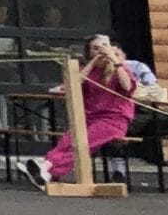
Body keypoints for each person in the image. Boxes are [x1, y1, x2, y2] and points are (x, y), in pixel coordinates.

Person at [18, 36, 138, 190]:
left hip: (113, 119)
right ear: (89, 52)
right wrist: (94, 62)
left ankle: (47, 167)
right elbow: (73, 84)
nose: (100, 50)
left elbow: (127, 86)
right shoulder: (87, 71)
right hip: (89, 117)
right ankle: (46, 172)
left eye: (103, 46)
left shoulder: (120, 68)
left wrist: (114, 59)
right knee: (68, 139)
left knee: (82, 143)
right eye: (95, 48)